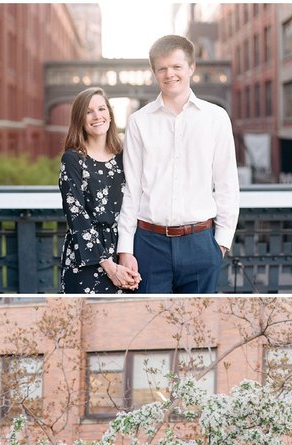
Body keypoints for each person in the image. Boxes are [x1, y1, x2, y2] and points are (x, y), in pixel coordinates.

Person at [116, 34, 240, 293]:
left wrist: (221, 243)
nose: (169, 74)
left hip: (201, 244)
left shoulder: (216, 118)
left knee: (197, 329)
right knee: (150, 326)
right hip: (149, 245)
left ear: (191, 68)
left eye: (176, 67)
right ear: (154, 72)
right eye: (162, 68)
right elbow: (132, 187)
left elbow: (227, 182)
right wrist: (126, 247)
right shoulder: (139, 121)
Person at [58, 87, 141, 293]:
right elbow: (76, 214)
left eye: (101, 109)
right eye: (88, 111)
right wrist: (109, 266)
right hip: (86, 257)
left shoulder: (124, 157)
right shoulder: (73, 159)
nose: (97, 116)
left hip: (125, 251)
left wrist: (125, 254)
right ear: (80, 119)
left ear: (110, 115)